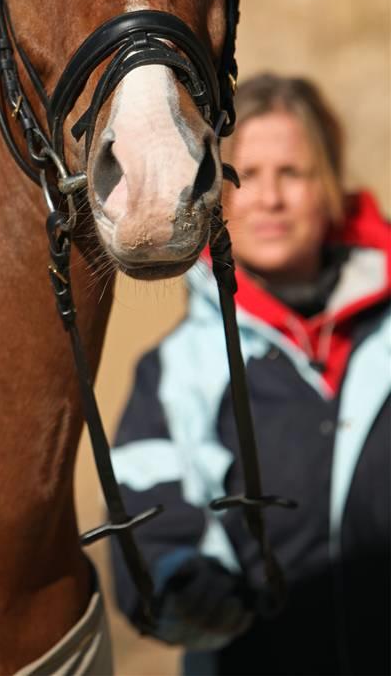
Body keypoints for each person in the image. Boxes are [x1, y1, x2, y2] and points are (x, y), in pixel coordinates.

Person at [110, 73, 390, 676]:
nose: (269, 199)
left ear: (333, 190)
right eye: (246, 176)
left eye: (293, 173)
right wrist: (183, 586)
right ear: (219, 196)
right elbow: (148, 533)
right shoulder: (174, 372)